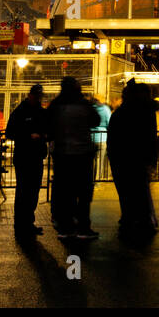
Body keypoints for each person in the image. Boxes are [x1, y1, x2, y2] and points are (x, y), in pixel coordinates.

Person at [47, 77, 101, 240]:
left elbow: (48, 125)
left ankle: (65, 227)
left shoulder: (56, 105)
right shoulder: (83, 104)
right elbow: (95, 120)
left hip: (62, 154)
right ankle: (83, 227)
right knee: (84, 192)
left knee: (65, 192)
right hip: (82, 154)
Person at [107, 80, 159, 243]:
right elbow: (151, 137)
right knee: (141, 189)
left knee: (125, 191)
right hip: (140, 158)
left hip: (121, 158)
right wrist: (152, 158)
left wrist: (112, 155)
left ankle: (128, 218)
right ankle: (144, 220)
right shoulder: (148, 111)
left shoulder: (121, 113)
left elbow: (113, 137)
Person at [6, 84, 49, 236]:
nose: (38, 98)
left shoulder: (35, 111)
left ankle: (26, 223)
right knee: (25, 191)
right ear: (30, 95)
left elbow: (49, 131)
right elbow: (9, 132)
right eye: (37, 96)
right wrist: (29, 136)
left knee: (32, 191)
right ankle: (22, 224)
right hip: (26, 156)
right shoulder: (21, 112)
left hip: (33, 156)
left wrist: (43, 136)